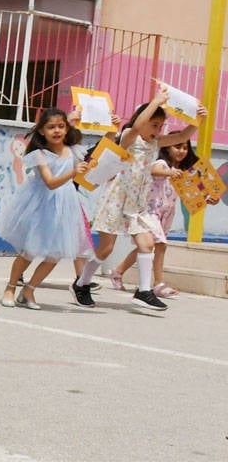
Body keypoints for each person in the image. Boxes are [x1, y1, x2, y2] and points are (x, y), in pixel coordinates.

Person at [72, 90, 205, 310]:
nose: (157, 130)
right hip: (116, 199)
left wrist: (198, 119)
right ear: (142, 121)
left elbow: (182, 137)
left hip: (137, 203)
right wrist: (155, 102)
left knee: (148, 244)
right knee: (106, 249)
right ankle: (82, 283)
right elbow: (135, 126)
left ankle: (143, 291)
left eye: (160, 126)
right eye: (154, 124)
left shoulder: (155, 143)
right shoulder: (128, 138)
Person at [0, 108, 91, 309]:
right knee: (29, 250)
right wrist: (73, 172)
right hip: (41, 205)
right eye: (51, 127)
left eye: (61, 126)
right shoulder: (39, 154)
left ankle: (29, 290)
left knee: (55, 254)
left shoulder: (73, 150)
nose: (56, 131)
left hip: (65, 206)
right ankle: (10, 287)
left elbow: (100, 152)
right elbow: (50, 182)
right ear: (41, 131)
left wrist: (110, 129)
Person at [110, 139, 214, 297]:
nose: (182, 151)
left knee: (146, 247)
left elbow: (193, 195)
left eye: (185, 148)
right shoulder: (163, 164)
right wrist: (169, 173)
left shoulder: (185, 172)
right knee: (161, 246)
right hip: (150, 212)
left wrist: (209, 198)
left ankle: (117, 272)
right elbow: (154, 170)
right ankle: (158, 284)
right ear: (167, 148)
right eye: (178, 146)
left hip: (166, 215)